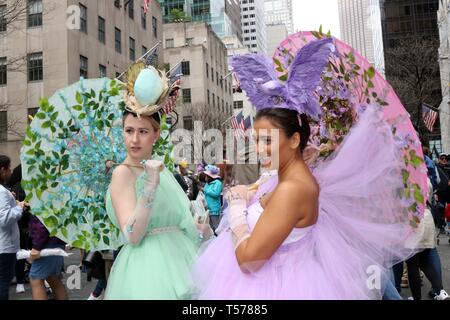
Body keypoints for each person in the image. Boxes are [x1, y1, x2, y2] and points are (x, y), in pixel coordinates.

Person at [192, 37, 420, 299]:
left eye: (268, 140)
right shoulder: (287, 178)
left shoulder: (293, 188)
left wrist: (235, 209)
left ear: (295, 139)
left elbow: (248, 260)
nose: (259, 149)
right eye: (257, 140)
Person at [103, 60, 212, 299]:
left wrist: (200, 228)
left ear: (156, 134)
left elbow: (180, 219)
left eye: (142, 132)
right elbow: (132, 235)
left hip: (182, 260)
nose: (134, 140)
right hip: (147, 272)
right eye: (129, 130)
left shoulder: (162, 169)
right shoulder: (123, 173)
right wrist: (149, 187)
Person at [0, 155, 25, 300]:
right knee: (3, 281)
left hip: (4, 244)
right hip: (5, 245)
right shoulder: (2, 192)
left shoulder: (4, 191)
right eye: (9, 168)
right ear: (2, 170)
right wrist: (19, 207)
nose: (10, 171)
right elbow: (3, 218)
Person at [28, 214, 68, 300]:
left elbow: (44, 219)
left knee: (36, 279)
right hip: (55, 238)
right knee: (53, 277)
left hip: (46, 242)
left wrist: (37, 246)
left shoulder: (44, 200)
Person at [6, 164, 32, 294]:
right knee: (20, 254)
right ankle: (20, 280)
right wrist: (21, 207)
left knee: (20, 254)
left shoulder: (13, 187)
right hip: (20, 226)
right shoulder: (17, 187)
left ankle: (20, 280)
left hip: (21, 226)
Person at [202, 165, 223, 233]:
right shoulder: (207, 184)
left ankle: (219, 240)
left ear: (210, 176)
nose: (205, 177)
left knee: (216, 227)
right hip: (208, 209)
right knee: (210, 227)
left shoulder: (218, 183)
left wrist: (206, 190)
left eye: (206, 176)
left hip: (214, 209)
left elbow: (216, 194)